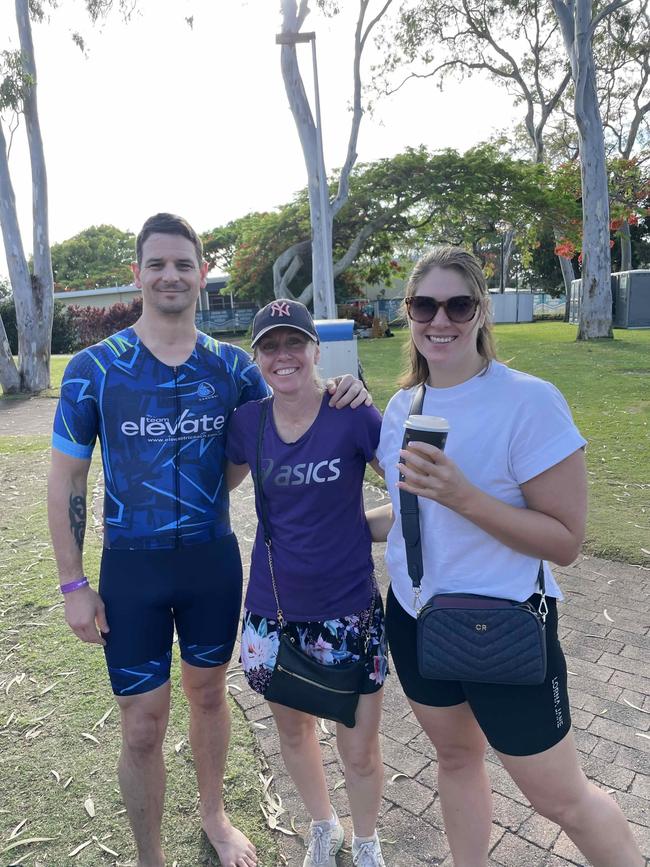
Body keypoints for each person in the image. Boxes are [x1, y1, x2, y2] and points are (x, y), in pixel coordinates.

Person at [47, 213, 370, 867]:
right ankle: (150, 856)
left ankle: (216, 816)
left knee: (209, 693)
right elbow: (68, 478)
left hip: (210, 563)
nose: (171, 274)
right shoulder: (93, 369)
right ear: (137, 273)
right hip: (130, 571)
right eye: (157, 263)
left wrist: (344, 386)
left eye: (184, 263)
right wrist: (74, 583)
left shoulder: (232, 370)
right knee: (142, 724)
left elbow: (291, 405)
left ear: (200, 275)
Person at [370, 246, 644, 867]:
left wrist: (464, 495)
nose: (440, 320)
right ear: (407, 313)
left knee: (561, 800)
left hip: (504, 626)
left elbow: (565, 541)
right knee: (456, 758)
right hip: (415, 618)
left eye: (457, 304)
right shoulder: (402, 407)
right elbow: (415, 518)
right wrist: (351, 529)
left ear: (481, 312)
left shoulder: (528, 401)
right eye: (424, 305)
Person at [225, 299, 389, 867]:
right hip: (274, 613)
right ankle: (326, 826)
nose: (283, 355)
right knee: (294, 735)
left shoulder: (353, 414)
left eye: (295, 342)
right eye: (270, 346)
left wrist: (367, 526)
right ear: (258, 360)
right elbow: (215, 488)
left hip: (350, 614)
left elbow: (412, 490)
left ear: (317, 350)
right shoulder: (248, 423)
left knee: (359, 747)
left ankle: (366, 840)